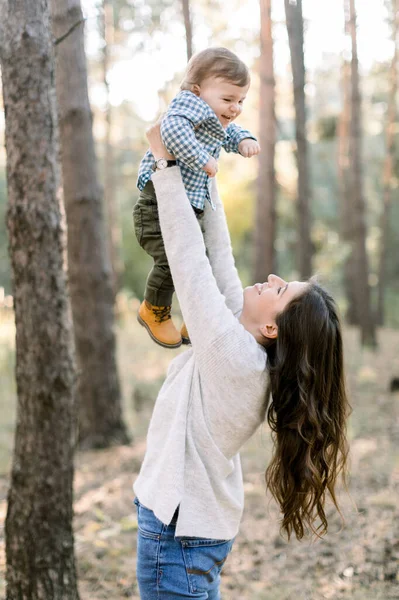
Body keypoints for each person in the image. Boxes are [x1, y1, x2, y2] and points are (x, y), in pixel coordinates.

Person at [132, 123, 350, 600]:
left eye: (279, 289)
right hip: (189, 526)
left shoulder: (232, 354)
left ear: (272, 328)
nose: (270, 277)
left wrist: (167, 166)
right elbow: (221, 255)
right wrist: (202, 168)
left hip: (177, 533)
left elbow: (191, 262)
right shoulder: (242, 344)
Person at [133, 47, 260, 349]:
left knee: (199, 262)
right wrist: (201, 158)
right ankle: (153, 309)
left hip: (187, 208)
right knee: (171, 262)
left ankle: (198, 315)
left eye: (240, 100)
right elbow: (172, 131)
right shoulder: (186, 107)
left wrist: (243, 139)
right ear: (196, 90)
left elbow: (226, 132)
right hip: (156, 209)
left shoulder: (210, 114)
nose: (235, 108)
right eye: (228, 99)